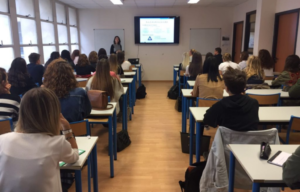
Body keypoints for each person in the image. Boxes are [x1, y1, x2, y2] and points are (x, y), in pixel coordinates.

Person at [0, 88, 79, 192]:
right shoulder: (57, 143)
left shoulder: (3, 140)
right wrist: (67, 130)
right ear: (54, 114)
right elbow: (74, 157)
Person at [203, 67, 259, 131]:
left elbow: (207, 119)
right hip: (249, 141)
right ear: (244, 87)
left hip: (227, 140)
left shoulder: (220, 105)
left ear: (226, 88)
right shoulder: (254, 103)